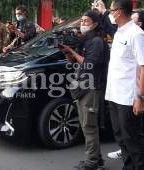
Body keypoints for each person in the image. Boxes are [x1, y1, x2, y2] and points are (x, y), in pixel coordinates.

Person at [105, 0, 144, 170]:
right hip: (114, 95)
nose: (110, 13)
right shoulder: (119, 32)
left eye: (111, 10)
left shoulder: (137, 34)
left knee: (133, 139)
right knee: (121, 138)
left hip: (129, 97)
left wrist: (140, 97)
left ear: (118, 12)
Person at [60, 11, 109, 170]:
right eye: (81, 20)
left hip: (91, 87)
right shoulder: (86, 40)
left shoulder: (97, 42)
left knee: (89, 126)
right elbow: (76, 62)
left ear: (95, 23)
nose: (82, 23)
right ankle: (96, 159)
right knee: (86, 125)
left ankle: (92, 162)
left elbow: (89, 63)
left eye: (86, 21)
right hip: (82, 86)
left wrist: (72, 51)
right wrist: (67, 52)